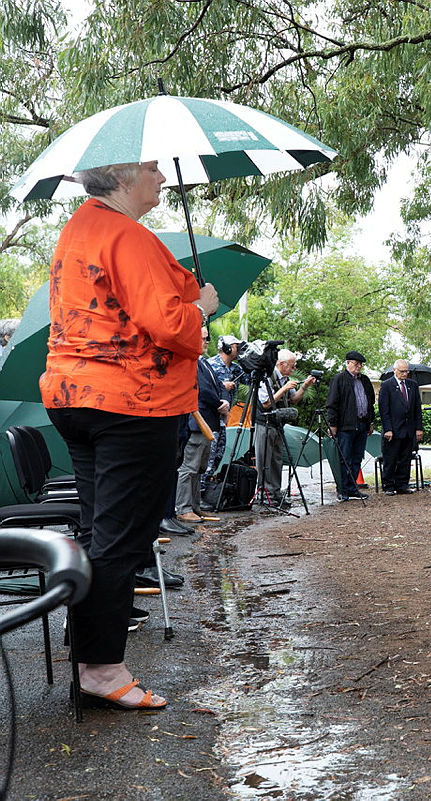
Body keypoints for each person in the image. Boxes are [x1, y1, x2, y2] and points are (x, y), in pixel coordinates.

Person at [41, 159, 220, 710]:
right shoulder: (127, 235)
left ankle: (91, 651)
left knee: (101, 532)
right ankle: (101, 668)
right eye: (152, 169)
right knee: (122, 538)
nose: (163, 178)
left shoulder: (81, 227)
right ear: (120, 175)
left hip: (75, 396)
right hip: (130, 401)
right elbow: (168, 324)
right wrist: (203, 311)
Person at [175, 327, 228, 523]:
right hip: (197, 422)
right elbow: (203, 390)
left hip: (208, 422)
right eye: (204, 338)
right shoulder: (190, 362)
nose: (207, 342)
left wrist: (223, 401)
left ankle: (195, 506)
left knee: (199, 468)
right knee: (189, 467)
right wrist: (219, 404)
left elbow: (218, 386)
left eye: (207, 338)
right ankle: (183, 507)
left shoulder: (204, 362)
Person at [254, 349, 316, 507]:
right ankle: (264, 493)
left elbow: (294, 399)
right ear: (281, 364)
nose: (294, 369)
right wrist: (284, 389)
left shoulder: (285, 379)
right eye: (292, 366)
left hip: (278, 424)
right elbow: (265, 403)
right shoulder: (267, 377)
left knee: (277, 460)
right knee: (264, 459)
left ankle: (275, 492)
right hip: (264, 423)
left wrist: (305, 386)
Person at [325, 350, 375, 501]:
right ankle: (342, 489)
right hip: (345, 426)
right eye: (356, 363)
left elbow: (370, 403)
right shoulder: (339, 379)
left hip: (361, 424)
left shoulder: (365, 380)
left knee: (357, 458)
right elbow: (332, 404)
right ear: (347, 363)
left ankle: (353, 488)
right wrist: (332, 425)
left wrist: (370, 422)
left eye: (360, 364)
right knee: (344, 458)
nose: (358, 366)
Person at [204, 334, 244, 490]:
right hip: (210, 417)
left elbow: (253, 379)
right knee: (207, 456)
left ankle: (208, 490)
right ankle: (199, 493)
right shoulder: (210, 364)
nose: (238, 349)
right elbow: (202, 385)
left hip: (224, 419)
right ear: (227, 348)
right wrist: (221, 385)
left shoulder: (236, 369)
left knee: (218, 455)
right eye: (236, 346)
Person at [379, 359, 424, 495]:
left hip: (408, 429)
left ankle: (402, 484)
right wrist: (388, 429)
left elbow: (417, 408)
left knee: (405, 458)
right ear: (395, 371)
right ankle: (388, 485)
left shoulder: (412, 385)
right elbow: (383, 409)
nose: (405, 374)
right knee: (391, 458)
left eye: (406, 371)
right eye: (402, 371)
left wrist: (418, 428)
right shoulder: (387, 385)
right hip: (393, 429)